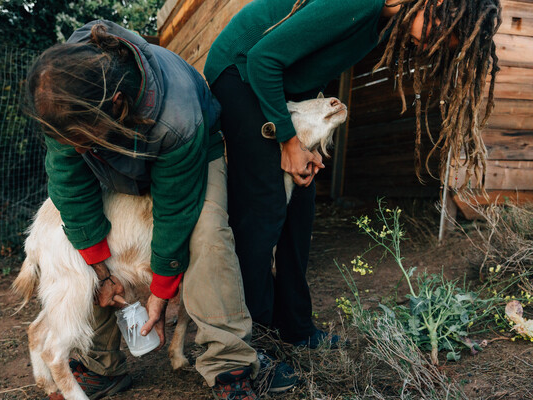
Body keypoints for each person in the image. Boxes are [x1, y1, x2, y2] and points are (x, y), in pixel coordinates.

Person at [25, 20, 297, 400]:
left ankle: (231, 364)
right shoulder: (64, 92)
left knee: (206, 235)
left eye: (79, 139)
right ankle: (102, 367)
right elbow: (71, 189)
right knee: (93, 236)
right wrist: (102, 272)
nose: (74, 147)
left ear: (117, 104)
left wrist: (161, 290)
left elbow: (174, 210)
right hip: (112, 153)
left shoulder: (178, 114)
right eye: (67, 139)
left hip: (191, 153)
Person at [204, 0, 500, 348]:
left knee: (302, 204)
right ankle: (250, 338)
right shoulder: (357, 2)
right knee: (264, 206)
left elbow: (308, 71)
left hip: (277, 84)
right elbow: (263, 60)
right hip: (239, 72)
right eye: (440, 32)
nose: (430, 45)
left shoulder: (379, 24)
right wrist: (287, 140)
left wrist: (307, 145)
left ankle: (296, 327)